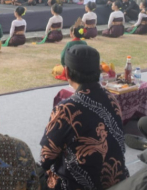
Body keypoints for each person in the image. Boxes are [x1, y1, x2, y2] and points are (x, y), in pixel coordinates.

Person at [40, 45, 128, 189]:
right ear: (98, 70)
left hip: (78, 185)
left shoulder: (66, 109)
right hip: (117, 180)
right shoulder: (112, 99)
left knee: (34, 174)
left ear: (67, 72)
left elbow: (46, 158)